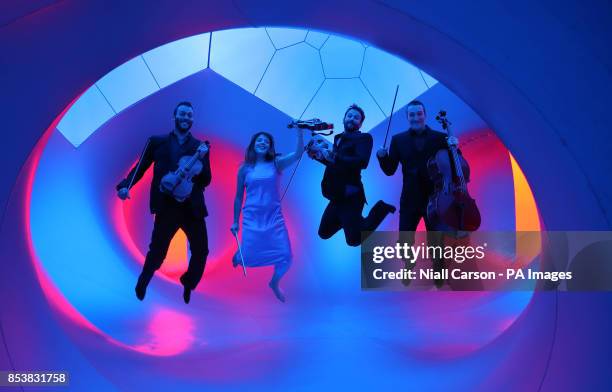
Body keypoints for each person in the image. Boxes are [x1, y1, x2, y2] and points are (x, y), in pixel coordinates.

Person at [117, 101, 211, 304]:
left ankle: (188, 282)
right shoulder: (156, 142)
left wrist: (200, 163)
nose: (186, 118)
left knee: (201, 251)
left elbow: (206, 180)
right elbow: (140, 168)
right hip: (166, 205)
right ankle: (143, 280)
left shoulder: (200, 147)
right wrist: (125, 186)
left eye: (190, 115)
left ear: (192, 120)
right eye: (183, 114)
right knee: (158, 251)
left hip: (192, 207)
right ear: (174, 116)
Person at [376, 100, 464, 287]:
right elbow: (390, 169)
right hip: (409, 198)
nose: (416, 117)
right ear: (408, 117)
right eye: (412, 114)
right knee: (404, 240)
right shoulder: (398, 140)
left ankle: (438, 268)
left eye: (419, 113)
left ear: (424, 114)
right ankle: (408, 264)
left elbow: (457, 163)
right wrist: (382, 157)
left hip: (436, 196)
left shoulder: (440, 137)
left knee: (436, 240)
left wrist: (455, 146)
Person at [230, 128, 304, 302]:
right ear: (253, 145)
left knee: (286, 257)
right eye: (259, 140)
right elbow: (239, 196)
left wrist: (300, 133)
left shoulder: (277, 163)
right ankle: (239, 256)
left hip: (273, 217)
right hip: (252, 217)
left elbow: (298, 154)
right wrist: (235, 221)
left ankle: (274, 283)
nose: (262, 142)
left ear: (270, 146)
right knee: (248, 256)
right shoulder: (244, 169)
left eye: (266, 141)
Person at [311, 104, 396, 247]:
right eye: (349, 116)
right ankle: (349, 221)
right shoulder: (338, 138)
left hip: (351, 196)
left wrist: (333, 156)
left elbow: (361, 162)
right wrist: (318, 156)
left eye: (356, 118)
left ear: (360, 123)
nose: (352, 119)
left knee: (354, 240)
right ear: (343, 119)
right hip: (335, 195)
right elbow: (336, 164)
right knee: (323, 233)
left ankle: (381, 208)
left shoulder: (364, 138)